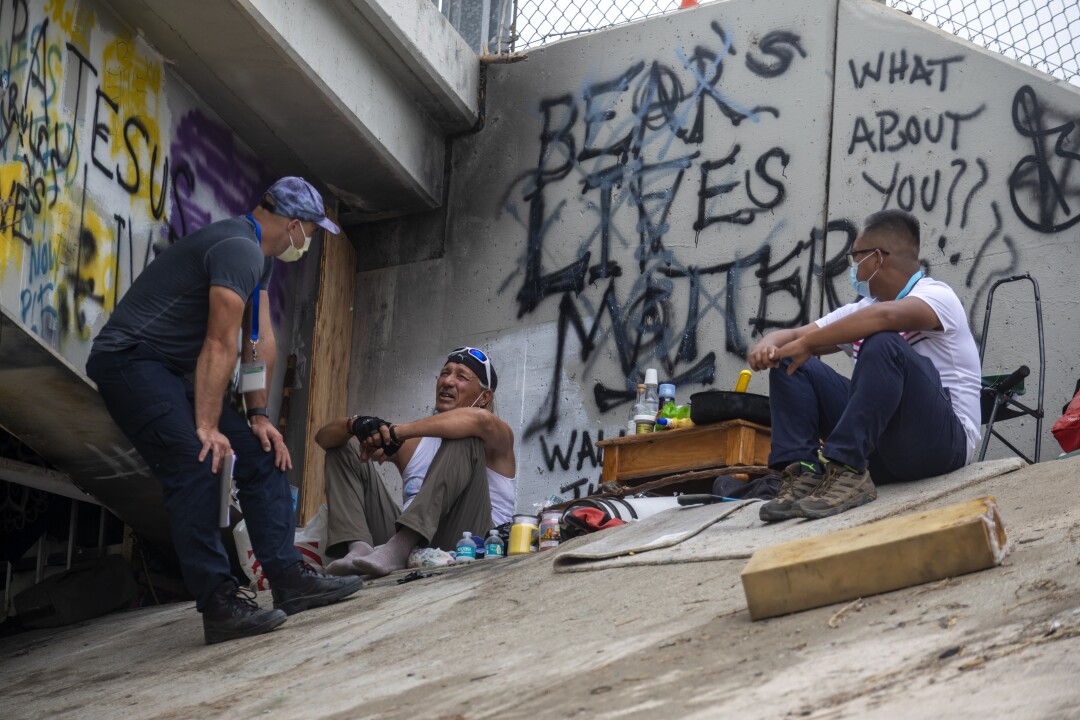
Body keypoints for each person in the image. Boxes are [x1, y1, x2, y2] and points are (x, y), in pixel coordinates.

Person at [87, 177, 363, 644]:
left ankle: (289, 580)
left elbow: (259, 342)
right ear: (296, 226)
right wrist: (206, 426)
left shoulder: (259, 260)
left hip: (172, 374)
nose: (309, 243)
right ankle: (219, 604)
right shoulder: (239, 247)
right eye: (313, 233)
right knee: (199, 462)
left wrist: (259, 417)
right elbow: (220, 343)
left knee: (263, 455)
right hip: (130, 361)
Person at [747, 209, 982, 521]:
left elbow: (885, 319)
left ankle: (846, 466)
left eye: (855, 257)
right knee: (791, 361)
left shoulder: (936, 296)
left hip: (941, 445)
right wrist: (771, 344)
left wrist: (808, 344)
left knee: (882, 341)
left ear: (877, 258)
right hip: (883, 453)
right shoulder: (863, 310)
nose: (853, 267)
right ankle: (802, 473)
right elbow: (794, 336)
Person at [314, 347, 516, 578]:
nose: (448, 381)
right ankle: (359, 548)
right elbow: (323, 439)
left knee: (466, 437)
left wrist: (398, 431)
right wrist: (355, 424)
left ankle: (401, 545)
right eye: (445, 373)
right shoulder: (415, 442)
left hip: (470, 541)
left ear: (485, 397)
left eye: (461, 376)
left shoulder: (496, 441)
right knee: (344, 447)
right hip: (398, 549)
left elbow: (479, 422)